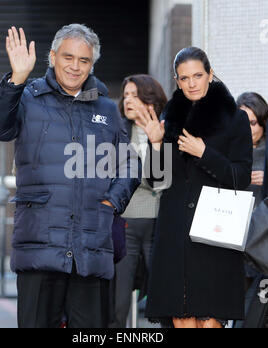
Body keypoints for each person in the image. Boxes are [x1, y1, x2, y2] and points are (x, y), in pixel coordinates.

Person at [0, 24, 141, 328]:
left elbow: (130, 164)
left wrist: (112, 202)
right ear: (53, 56)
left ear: (92, 64)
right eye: (68, 57)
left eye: (84, 60)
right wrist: (16, 79)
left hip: (90, 247)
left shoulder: (107, 109)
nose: (75, 66)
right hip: (39, 245)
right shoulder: (27, 96)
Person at [135, 47, 253, 328]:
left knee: (211, 320)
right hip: (175, 235)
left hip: (214, 234)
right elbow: (156, 182)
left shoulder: (235, 119)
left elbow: (241, 177)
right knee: (180, 318)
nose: (192, 83)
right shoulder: (169, 120)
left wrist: (205, 153)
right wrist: (154, 145)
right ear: (177, 81)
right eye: (184, 78)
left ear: (210, 74)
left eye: (198, 75)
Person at [110, 75, 167, 328]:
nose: (128, 100)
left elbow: (159, 181)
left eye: (135, 95)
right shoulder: (117, 132)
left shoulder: (169, 131)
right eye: (126, 95)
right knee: (118, 303)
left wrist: (156, 144)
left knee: (165, 298)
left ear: (150, 101)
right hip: (126, 223)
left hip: (161, 225)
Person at [235, 92, 268, 328]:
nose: (247, 128)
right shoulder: (230, 154)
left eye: (253, 122)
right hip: (236, 239)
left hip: (262, 243)